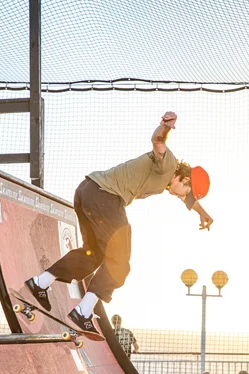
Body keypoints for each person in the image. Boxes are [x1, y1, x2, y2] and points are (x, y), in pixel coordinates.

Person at [23, 112, 212, 333]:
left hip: (87, 190)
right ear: (185, 179)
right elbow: (158, 141)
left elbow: (184, 193)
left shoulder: (166, 180)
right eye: (185, 194)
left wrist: (201, 212)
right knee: (120, 261)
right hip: (106, 197)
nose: (182, 198)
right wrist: (165, 127)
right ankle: (83, 312)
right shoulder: (168, 165)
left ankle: (40, 283)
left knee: (93, 254)